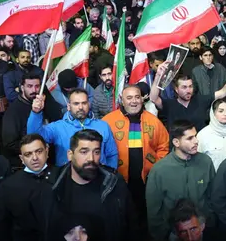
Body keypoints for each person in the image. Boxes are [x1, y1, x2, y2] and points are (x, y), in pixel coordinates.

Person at [42, 129, 141, 241]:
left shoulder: (114, 182)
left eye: (96, 152)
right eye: (84, 152)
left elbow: (132, 226)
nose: (91, 158)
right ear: (70, 155)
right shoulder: (52, 183)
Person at [102, 84, 170, 217]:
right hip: (118, 181)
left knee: (145, 215)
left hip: (146, 181)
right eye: (129, 97)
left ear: (142, 99)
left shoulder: (154, 121)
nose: (134, 101)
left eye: (137, 97)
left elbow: (164, 146)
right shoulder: (107, 121)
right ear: (122, 99)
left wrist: (156, 167)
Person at [146, 120, 216, 240]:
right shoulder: (159, 170)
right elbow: (154, 209)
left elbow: (213, 196)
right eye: (190, 138)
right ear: (176, 142)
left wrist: (209, 222)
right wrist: (162, 235)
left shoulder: (206, 162)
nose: (196, 141)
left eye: (195, 136)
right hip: (173, 233)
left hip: (202, 229)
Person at [0, 133, 60, 241]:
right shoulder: (8, 186)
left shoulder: (62, 177)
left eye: (39, 151)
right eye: (28, 154)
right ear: (22, 158)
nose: (35, 158)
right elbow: (0, 225)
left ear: (47, 150)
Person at [26, 88, 119, 168]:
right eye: (76, 103)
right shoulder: (58, 127)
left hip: (98, 179)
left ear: (89, 104)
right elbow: (34, 137)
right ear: (69, 106)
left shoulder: (103, 126)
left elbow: (112, 154)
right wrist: (36, 113)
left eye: (84, 103)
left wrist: (109, 175)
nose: (80, 107)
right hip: (69, 181)